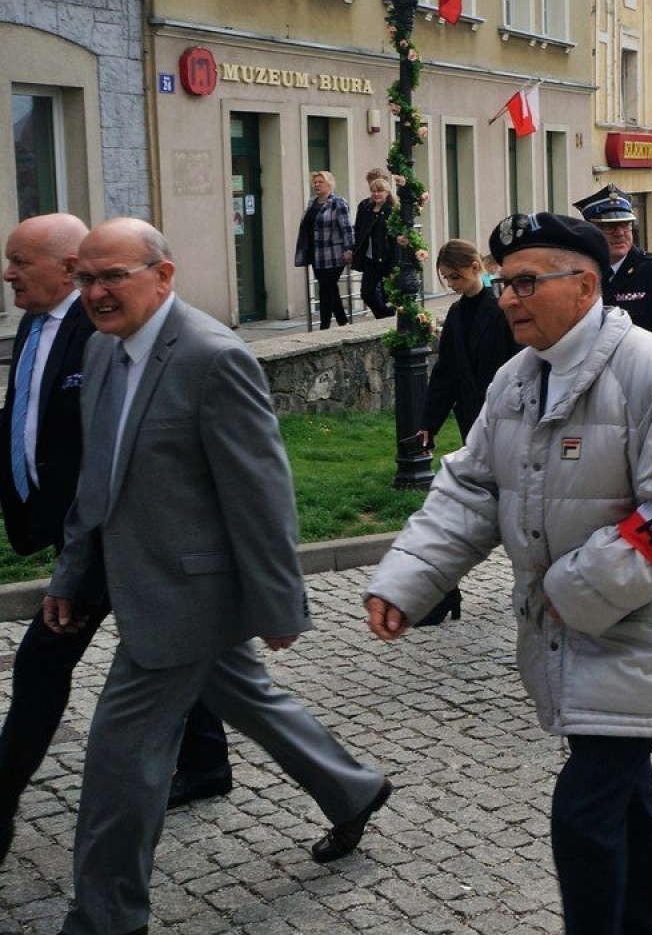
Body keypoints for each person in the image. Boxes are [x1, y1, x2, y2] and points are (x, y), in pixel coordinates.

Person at [365, 211, 652, 935]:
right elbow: (472, 488)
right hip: (572, 635)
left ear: (585, 285)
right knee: (627, 808)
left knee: (585, 817)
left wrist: (573, 591)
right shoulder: (519, 376)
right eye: (503, 282)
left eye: (526, 282)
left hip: (639, 634)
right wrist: (407, 580)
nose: (507, 297)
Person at [43, 218, 390, 935]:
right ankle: (353, 789)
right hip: (140, 572)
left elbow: (260, 491)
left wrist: (281, 603)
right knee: (247, 697)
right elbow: (98, 479)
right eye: (86, 278)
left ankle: (105, 919)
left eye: (114, 277)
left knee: (118, 763)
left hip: (185, 594)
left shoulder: (211, 356)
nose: (97, 293)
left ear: (163, 275)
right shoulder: (107, 352)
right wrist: (72, 570)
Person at [0, 216, 232, 869]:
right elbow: (29, 412)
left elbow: (121, 447)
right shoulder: (34, 322)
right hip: (71, 534)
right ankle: (333, 784)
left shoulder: (107, 332)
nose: (8, 273)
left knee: (45, 663)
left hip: (113, 535)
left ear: (66, 264)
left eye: (21, 260)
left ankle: (3, 796)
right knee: (207, 665)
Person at [415, 238, 520, 626]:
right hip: (473, 431)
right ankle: (445, 592)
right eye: (446, 279)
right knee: (459, 509)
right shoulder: (457, 316)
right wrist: (428, 421)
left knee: (510, 514)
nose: (452, 284)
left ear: (476, 266)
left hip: (510, 430)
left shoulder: (504, 309)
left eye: (456, 276)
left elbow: (521, 368)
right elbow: (445, 373)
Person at [575, 184, 652, 357]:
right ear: (592, 232)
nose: (620, 233)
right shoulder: (582, 273)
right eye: (610, 227)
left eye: (625, 225)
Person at [294, 170, 354, 329]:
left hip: (334, 253)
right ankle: (342, 322)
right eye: (315, 182)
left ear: (329, 184)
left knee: (326, 289)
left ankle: (324, 327)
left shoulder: (337, 202)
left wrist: (349, 249)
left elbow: (347, 227)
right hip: (316, 253)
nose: (317, 185)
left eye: (320, 182)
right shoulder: (312, 202)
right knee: (330, 288)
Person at [351, 168, 397, 319]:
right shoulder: (366, 208)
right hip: (370, 258)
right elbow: (359, 231)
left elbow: (394, 240)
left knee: (387, 296)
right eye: (374, 191)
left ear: (387, 192)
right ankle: (382, 317)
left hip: (386, 258)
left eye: (380, 191)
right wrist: (354, 250)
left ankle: (387, 320)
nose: (376, 194)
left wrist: (394, 265)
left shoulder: (391, 210)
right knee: (367, 293)